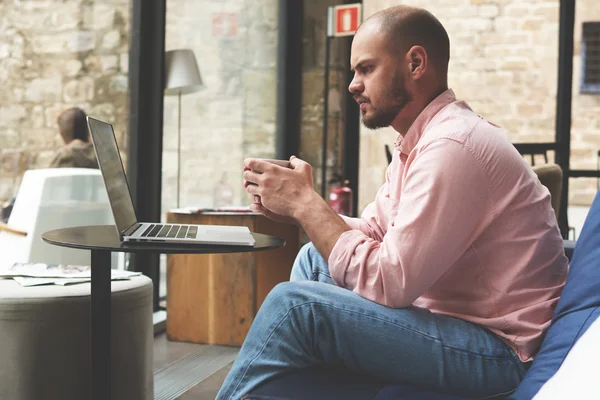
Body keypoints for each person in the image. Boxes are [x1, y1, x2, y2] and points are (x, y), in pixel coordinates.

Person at [217, 5, 568, 399]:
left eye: (366, 69)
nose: (352, 84)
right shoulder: (419, 143)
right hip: (459, 325)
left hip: (499, 351)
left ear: (416, 63)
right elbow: (376, 231)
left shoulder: (452, 148)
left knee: (294, 306)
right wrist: (302, 209)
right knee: (312, 260)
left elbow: (391, 282)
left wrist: (306, 205)